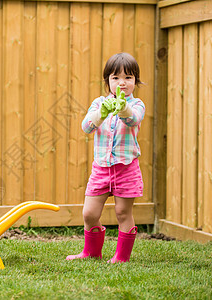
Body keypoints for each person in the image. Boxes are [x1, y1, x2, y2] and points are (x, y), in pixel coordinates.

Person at [66, 52, 145, 263]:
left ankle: (121, 257)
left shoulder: (137, 105)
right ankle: (91, 251)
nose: (122, 83)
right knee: (89, 213)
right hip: (101, 169)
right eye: (115, 78)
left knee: (122, 213)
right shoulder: (99, 103)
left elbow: (133, 120)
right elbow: (86, 127)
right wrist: (102, 112)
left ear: (135, 81)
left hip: (126, 169)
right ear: (107, 81)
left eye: (128, 77)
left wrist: (123, 108)